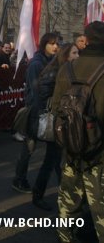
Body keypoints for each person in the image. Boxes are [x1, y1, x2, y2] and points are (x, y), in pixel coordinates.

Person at [52, 22, 104, 242]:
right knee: (100, 207)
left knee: (69, 201)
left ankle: (65, 236)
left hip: (71, 146)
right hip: (100, 151)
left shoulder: (68, 67)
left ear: (87, 40)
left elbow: (55, 107)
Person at [31, 43, 79, 211]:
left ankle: (64, 195)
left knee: (58, 161)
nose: (77, 56)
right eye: (74, 53)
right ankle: (39, 194)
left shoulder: (68, 69)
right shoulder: (56, 71)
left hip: (64, 121)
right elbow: (43, 94)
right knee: (52, 161)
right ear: (66, 55)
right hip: (56, 121)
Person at [12, 33, 59, 194]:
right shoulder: (36, 64)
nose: (55, 47)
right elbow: (34, 89)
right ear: (44, 44)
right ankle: (19, 179)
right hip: (35, 111)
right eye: (52, 43)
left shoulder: (51, 61)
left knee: (52, 150)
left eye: (57, 44)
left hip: (46, 111)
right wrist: (42, 110)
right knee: (29, 147)